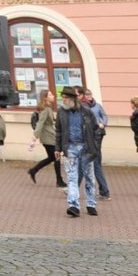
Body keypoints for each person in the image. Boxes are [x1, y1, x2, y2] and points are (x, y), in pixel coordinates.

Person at [54, 87, 101, 217]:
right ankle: (74, 205)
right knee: (72, 177)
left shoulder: (86, 111)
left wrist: (94, 145)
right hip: (70, 148)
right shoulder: (61, 112)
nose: (63, 100)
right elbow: (58, 130)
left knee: (89, 177)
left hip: (86, 148)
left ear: (73, 99)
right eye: (62, 98)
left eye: (66, 98)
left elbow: (96, 129)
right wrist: (57, 148)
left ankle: (91, 204)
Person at [28, 90, 64, 187]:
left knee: (52, 157)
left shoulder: (48, 108)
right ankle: (59, 181)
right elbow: (40, 123)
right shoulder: (45, 109)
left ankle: (33, 170)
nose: (53, 96)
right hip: (48, 137)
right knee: (56, 157)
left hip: (50, 135)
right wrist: (34, 137)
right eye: (50, 95)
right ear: (45, 98)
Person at [78, 88, 110, 199]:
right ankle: (103, 190)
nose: (89, 96)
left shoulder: (97, 106)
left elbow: (104, 116)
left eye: (89, 94)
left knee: (91, 163)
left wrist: (102, 123)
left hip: (97, 135)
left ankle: (104, 192)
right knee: (94, 163)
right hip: (91, 135)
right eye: (87, 95)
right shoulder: (83, 106)